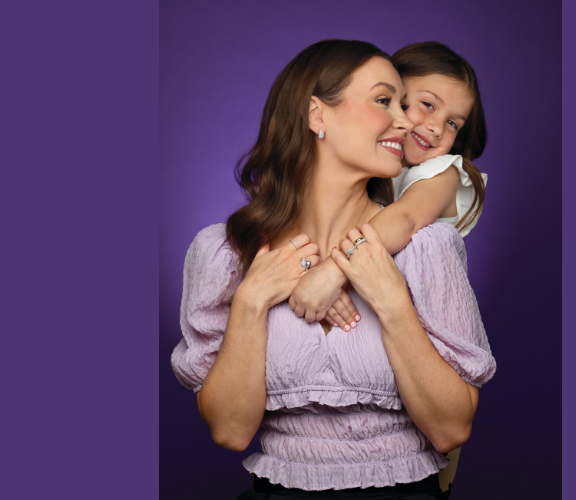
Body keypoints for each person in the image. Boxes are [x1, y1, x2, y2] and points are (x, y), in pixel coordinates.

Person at [171, 40, 495, 500]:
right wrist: (251, 301)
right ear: (316, 116)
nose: (405, 122)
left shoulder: (427, 246)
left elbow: (451, 430)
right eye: (386, 101)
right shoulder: (225, 253)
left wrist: (390, 301)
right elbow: (229, 432)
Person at [286, 41, 491, 337]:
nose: (436, 127)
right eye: (427, 105)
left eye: (452, 123)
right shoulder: (372, 167)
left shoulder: (442, 172)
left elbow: (405, 217)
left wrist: (332, 273)